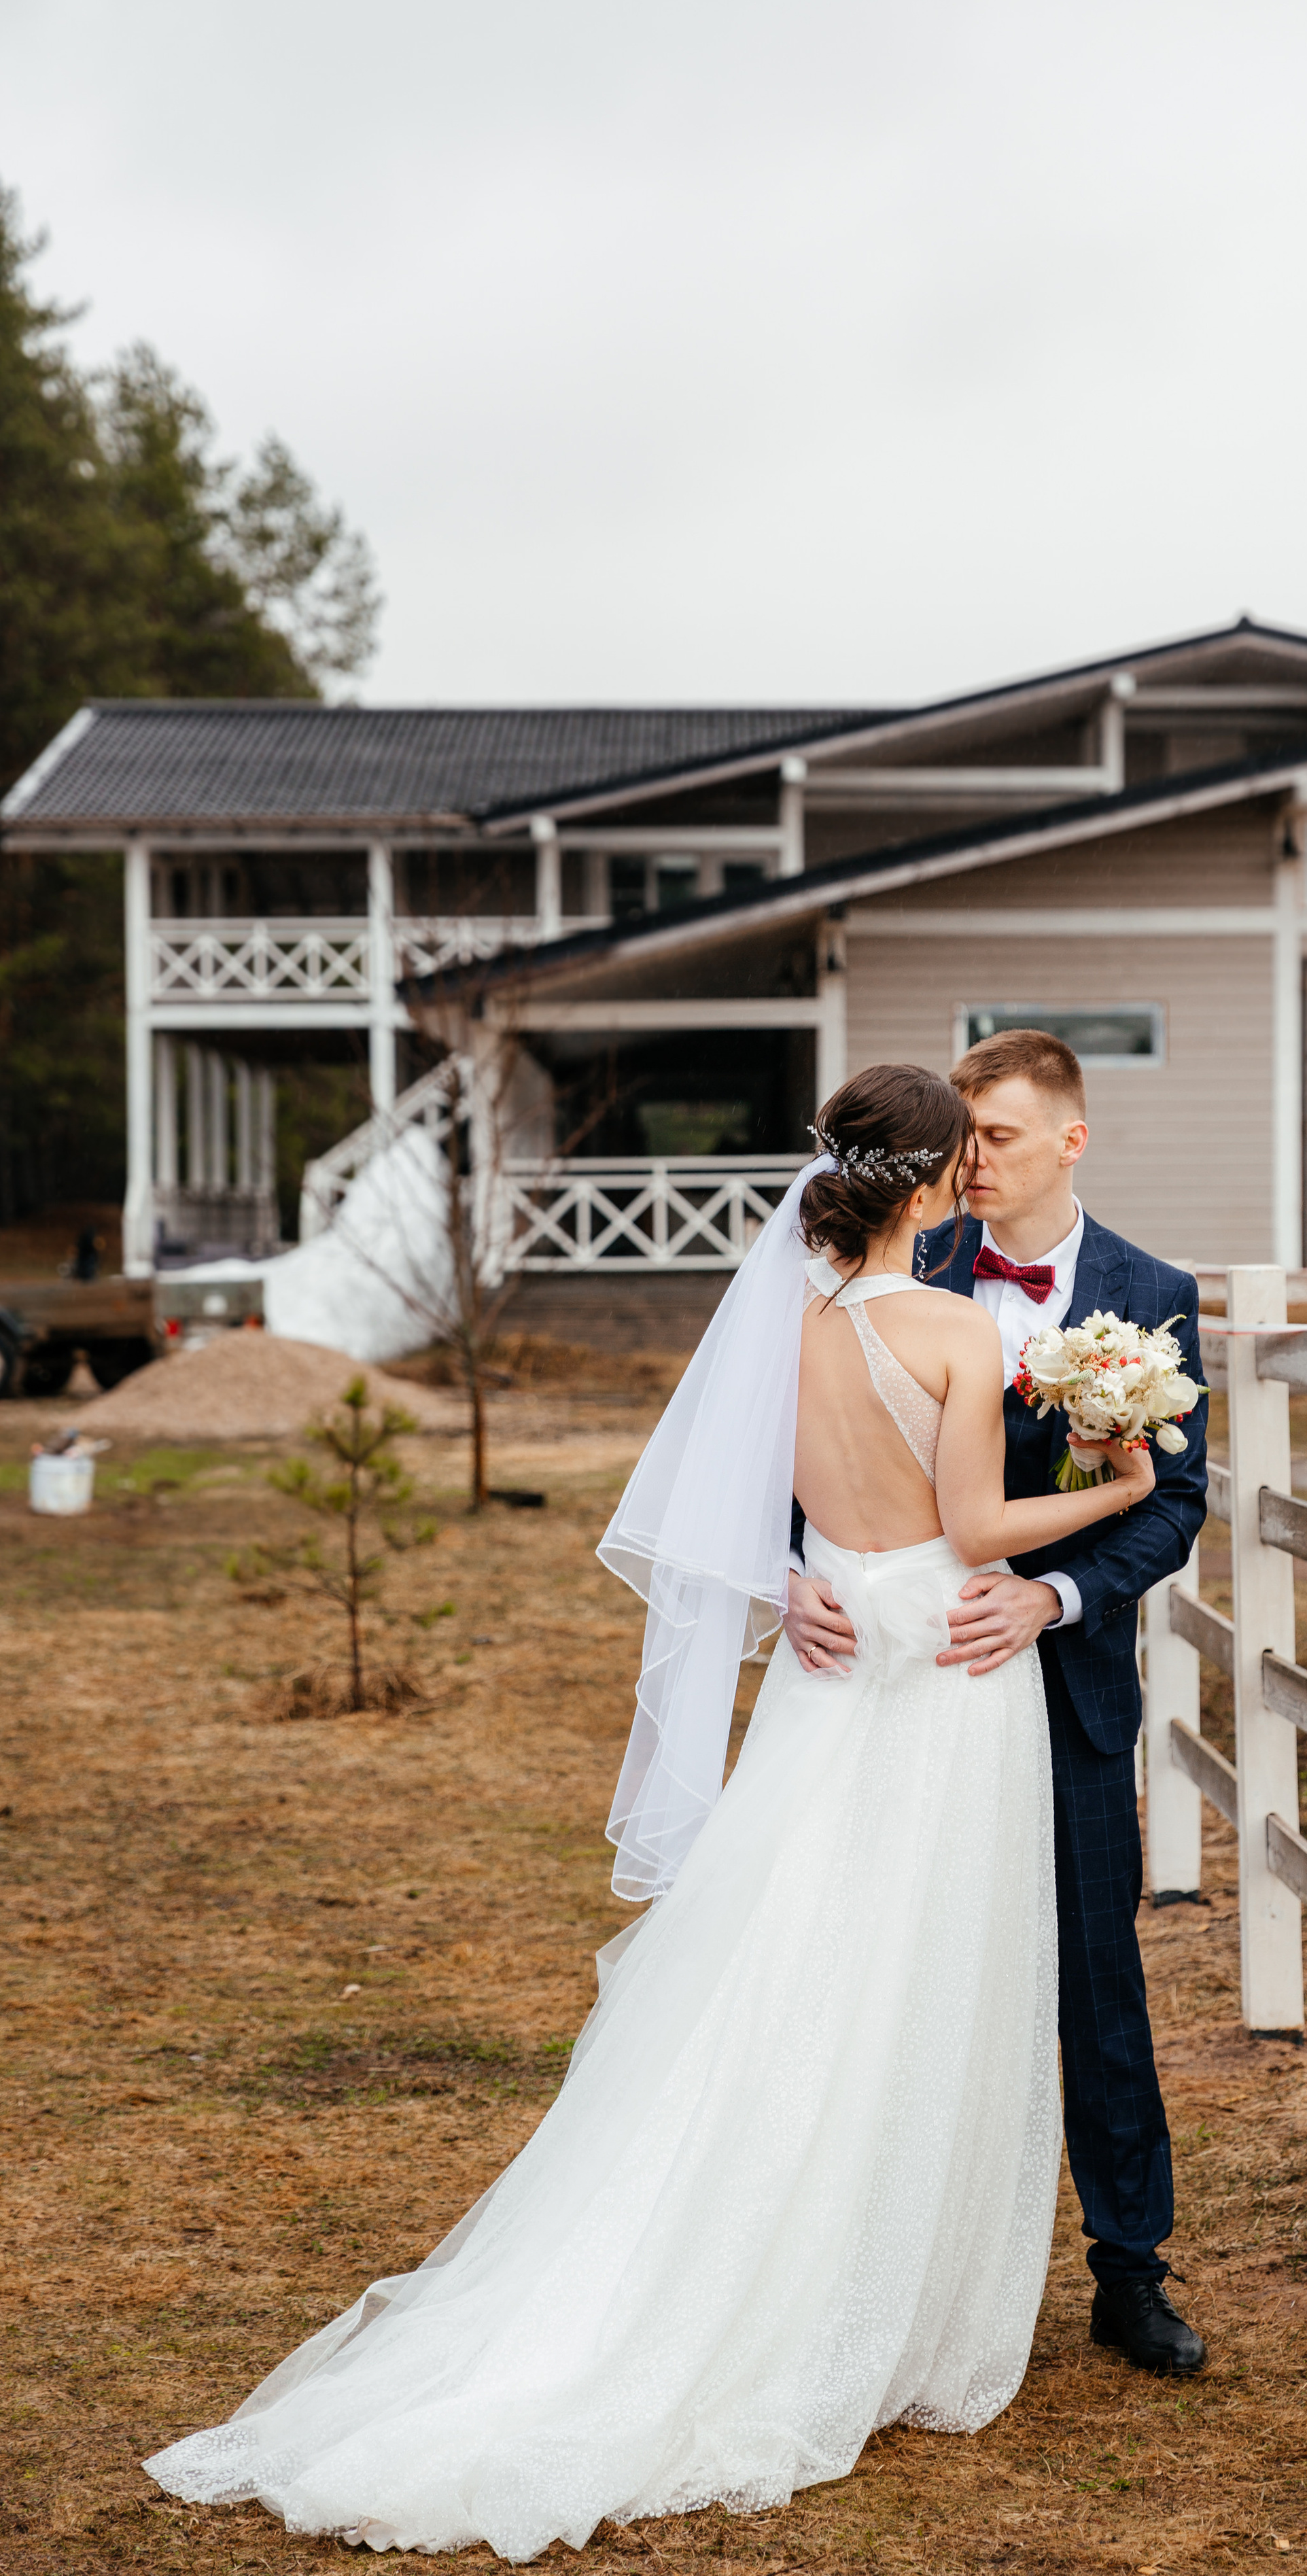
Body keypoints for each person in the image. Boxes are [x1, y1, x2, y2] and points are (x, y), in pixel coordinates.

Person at [143, 1062, 1156, 2564]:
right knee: (918, 1976)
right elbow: (973, 1529)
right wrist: (1115, 1482)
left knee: (792, 1967)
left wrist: (799, 1579)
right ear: (938, 1180)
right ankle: (850, 2300)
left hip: (830, 1680)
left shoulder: (795, 1328)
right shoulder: (950, 1327)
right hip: (940, 1673)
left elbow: (762, 1514)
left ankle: (779, 2256)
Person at [788, 1030, 1209, 2375]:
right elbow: (791, 1457)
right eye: (959, 1135)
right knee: (888, 1968)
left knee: (1095, 1983)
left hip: (1061, 1685)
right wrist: (780, 1575)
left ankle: (1127, 2272)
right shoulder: (901, 1272)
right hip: (904, 1682)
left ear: (1069, 1141)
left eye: (1002, 1137)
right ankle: (885, 2259)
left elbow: (1177, 1502)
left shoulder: (1151, 1290)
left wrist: (1055, 1599)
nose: (972, 1159)